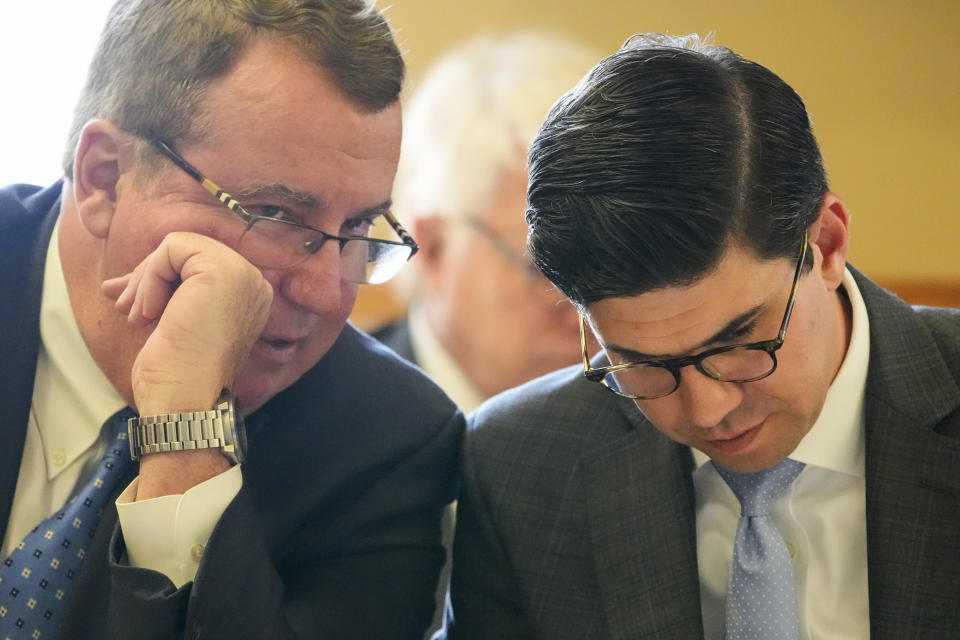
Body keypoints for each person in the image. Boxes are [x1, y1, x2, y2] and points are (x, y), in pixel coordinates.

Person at [444, 33, 960, 639]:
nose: (708, 410)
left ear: (826, 243)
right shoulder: (518, 468)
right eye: (640, 363)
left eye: (740, 343)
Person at [0, 1, 461, 639]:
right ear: (105, 178)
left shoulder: (385, 442)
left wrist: (186, 438)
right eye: (273, 214)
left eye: (356, 226)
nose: (328, 293)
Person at [374, 32, 597, 413]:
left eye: (616, 262)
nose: (590, 315)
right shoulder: (334, 424)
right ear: (432, 246)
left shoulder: (660, 404)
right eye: (547, 269)